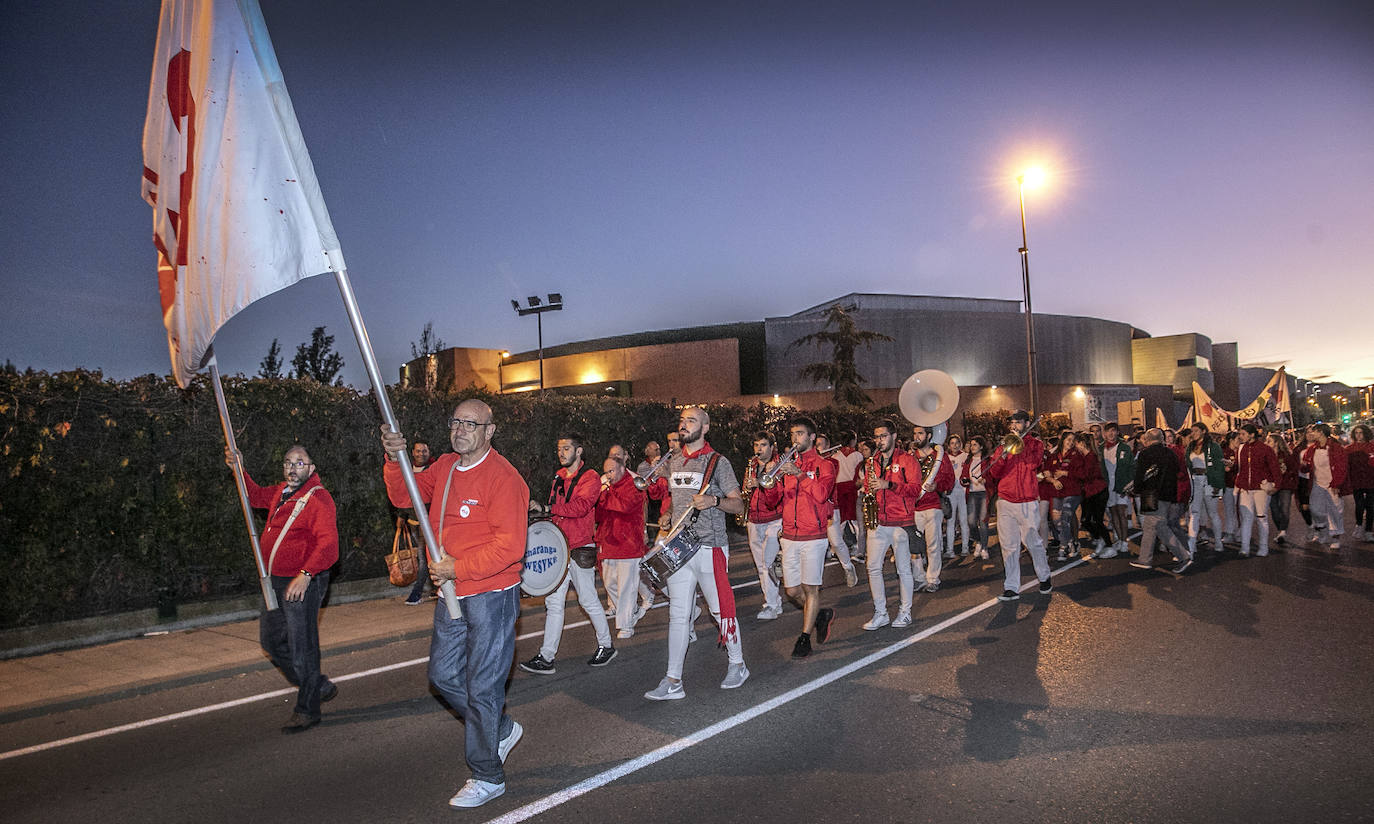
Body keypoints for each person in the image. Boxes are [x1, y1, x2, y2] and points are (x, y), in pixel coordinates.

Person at [380, 400, 528, 809]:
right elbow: (402, 495)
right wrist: (395, 458)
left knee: (482, 686)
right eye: (456, 422)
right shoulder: (444, 466)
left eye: (471, 424)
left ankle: (488, 775)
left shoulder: (504, 478)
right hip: (451, 593)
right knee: (443, 676)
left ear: (489, 431)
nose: (461, 429)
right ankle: (498, 726)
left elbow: (510, 547)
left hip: (492, 596)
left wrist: (456, 567)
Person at [228, 443, 339, 733]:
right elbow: (252, 495)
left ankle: (307, 709)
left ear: (312, 469)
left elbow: (329, 545)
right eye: (288, 462)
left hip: (301, 583)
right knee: (272, 643)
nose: (292, 467)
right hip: (275, 582)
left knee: (303, 648)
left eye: (299, 463)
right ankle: (316, 684)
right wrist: (238, 467)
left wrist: (305, 574)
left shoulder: (318, 499)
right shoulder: (281, 493)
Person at [642, 407, 749, 699]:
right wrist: (666, 516)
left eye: (691, 420)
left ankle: (738, 663)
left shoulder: (718, 462)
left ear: (705, 426)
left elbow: (738, 505)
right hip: (680, 548)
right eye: (682, 420)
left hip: (710, 547)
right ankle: (673, 680)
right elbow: (676, 503)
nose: (684, 425)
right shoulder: (675, 461)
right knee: (678, 615)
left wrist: (713, 500)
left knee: (720, 611)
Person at [520, 434, 616, 674]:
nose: (561, 453)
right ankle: (546, 657)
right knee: (553, 603)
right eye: (559, 448)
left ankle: (606, 645)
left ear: (579, 451)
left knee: (588, 600)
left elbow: (581, 507)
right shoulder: (559, 477)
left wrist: (547, 508)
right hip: (559, 548)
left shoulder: (591, 477)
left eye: (566, 448)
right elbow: (556, 512)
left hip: (580, 547)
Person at [777, 417, 838, 658]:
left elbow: (822, 495)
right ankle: (821, 615)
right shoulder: (788, 465)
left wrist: (801, 475)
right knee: (792, 591)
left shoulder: (825, 465)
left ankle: (804, 639)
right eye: (793, 434)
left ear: (812, 437)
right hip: (790, 535)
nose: (795, 438)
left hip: (813, 535)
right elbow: (778, 500)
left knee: (810, 588)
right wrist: (769, 486)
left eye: (800, 434)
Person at [859, 419, 922, 628]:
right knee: (873, 568)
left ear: (894, 436)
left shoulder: (907, 460)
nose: (879, 441)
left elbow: (915, 490)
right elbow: (869, 487)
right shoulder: (872, 462)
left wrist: (890, 485)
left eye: (883, 436)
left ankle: (905, 611)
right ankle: (880, 612)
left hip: (901, 522)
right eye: (876, 437)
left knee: (903, 569)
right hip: (878, 522)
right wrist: (870, 492)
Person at [986, 410, 1054, 601]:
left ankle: (1044, 575)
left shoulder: (1036, 444)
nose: (1014, 426)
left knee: (1032, 542)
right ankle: (1011, 587)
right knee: (1008, 546)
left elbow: (1034, 463)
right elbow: (995, 473)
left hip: (1027, 500)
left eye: (1018, 422)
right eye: (1012, 423)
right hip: (1006, 500)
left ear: (1026, 423)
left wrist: (1019, 447)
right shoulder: (1003, 446)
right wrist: (1005, 453)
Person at [596, 454, 648, 639]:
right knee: (609, 583)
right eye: (605, 472)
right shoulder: (608, 487)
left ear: (621, 469)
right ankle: (629, 612)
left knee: (626, 586)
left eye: (611, 471)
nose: (608, 475)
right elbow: (599, 515)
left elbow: (624, 506)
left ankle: (626, 624)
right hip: (609, 541)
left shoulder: (634, 484)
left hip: (628, 543)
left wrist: (604, 494)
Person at [1127, 428, 1193, 573]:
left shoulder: (1145, 454)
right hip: (1168, 495)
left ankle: (1183, 557)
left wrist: (1136, 489)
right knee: (1158, 526)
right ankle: (1145, 559)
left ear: (1148, 439)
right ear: (1161, 439)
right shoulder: (1170, 453)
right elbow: (1177, 471)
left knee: (1153, 524)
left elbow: (1140, 476)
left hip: (1152, 495)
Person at [743, 431, 785, 620]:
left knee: (768, 562)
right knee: (761, 565)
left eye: (763, 445)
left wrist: (760, 484)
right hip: (754, 519)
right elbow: (747, 490)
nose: (759, 449)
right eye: (756, 445)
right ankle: (774, 602)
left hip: (774, 518)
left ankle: (771, 605)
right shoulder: (751, 465)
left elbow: (776, 496)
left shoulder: (778, 466)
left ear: (772, 446)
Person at [910, 424, 955, 592]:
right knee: (914, 545)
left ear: (929, 436)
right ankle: (919, 577)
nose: (916, 437)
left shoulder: (939, 456)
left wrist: (937, 485)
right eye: (915, 433)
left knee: (933, 544)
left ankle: (933, 578)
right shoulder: (909, 456)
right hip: (914, 507)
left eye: (920, 433)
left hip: (932, 505)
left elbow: (950, 480)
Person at [1234, 423, 1281, 557]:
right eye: (1240, 434)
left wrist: (1276, 485)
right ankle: (1244, 548)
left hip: (1261, 488)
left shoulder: (1265, 449)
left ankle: (1263, 547)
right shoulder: (1241, 449)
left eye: (1243, 434)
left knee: (1261, 518)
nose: (1240, 437)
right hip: (1245, 489)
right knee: (1246, 518)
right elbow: (1240, 468)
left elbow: (1275, 468)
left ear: (1252, 435)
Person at [1299, 423, 1349, 550]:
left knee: (1335, 511)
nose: (1312, 434)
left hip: (1332, 484)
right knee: (1315, 509)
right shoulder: (1312, 449)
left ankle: (1335, 537)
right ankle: (1322, 528)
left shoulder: (1336, 448)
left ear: (1321, 432)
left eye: (1314, 432)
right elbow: (1306, 466)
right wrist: (1304, 466)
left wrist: (1336, 483)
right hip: (1317, 484)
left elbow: (1341, 467)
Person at [1046, 429, 1089, 561]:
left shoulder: (1077, 455)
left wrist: (1065, 474)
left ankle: (1063, 546)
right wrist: (1053, 480)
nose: (1070, 443)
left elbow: (1083, 475)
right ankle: (1072, 542)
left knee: (1065, 518)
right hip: (1057, 492)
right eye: (1068, 439)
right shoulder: (1054, 456)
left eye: (1073, 440)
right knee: (1056, 521)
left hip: (1072, 492)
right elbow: (1046, 472)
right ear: (1062, 440)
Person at [1183, 423, 1226, 556]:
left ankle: (1218, 542)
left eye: (1196, 431)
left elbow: (1219, 467)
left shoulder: (1214, 447)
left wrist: (1218, 486)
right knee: (1194, 513)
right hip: (1195, 481)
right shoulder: (1190, 447)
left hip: (1209, 481)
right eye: (1192, 431)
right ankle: (1191, 545)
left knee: (1212, 513)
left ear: (1203, 431)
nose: (1193, 433)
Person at [401, 439, 434, 605]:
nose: (421, 454)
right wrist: (402, 517)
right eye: (418, 451)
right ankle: (437, 588)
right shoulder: (407, 470)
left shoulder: (432, 470)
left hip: (427, 522)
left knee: (423, 557)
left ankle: (416, 593)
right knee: (429, 556)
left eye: (424, 450)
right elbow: (403, 495)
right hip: (413, 522)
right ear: (413, 453)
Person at [1096, 423, 1136, 559]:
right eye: (1108, 431)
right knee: (1113, 514)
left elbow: (1132, 467)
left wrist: (1129, 483)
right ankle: (1119, 539)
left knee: (1121, 513)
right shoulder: (1101, 449)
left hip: (1121, 485)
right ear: (1105, 433)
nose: (1111, 434)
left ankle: (1125, 541)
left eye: (1114, 431)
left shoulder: (1124, 447)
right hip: (1108, 486)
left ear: (1117, 432)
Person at [1075, 432, 1112, 556]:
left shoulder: (1091, 457)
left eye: (1077, 443)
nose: (1076, 446)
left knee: (1097, 520)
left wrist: (1070, 472)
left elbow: (1086, 475)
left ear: (1081, 443)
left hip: (1098, 491)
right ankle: (1099, 538)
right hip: (1090, 492)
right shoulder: (1086, 456)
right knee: (1086, 520)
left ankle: (1108, 544)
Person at [1267, 432, 1299, 546]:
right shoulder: (1266, 454)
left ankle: (1282, 531)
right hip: (1272, 485)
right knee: (1274, 509)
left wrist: (1287, 471)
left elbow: (1294, 469)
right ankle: (1280, 529)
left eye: (1269, 441)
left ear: (1276, 442)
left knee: (1284, 508)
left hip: (1285, 485)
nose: (1267, 443)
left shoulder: (1286, 455)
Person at [963, 435, 991, 560]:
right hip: (972, 494)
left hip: (984, 493)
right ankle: (978, 541)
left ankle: (985, 547)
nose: (972, 447)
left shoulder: (987, 460)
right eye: (971, 444)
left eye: (975, 444)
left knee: (983, 522)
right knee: (971, 522)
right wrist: (964, 481)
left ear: (981, 446)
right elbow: (963, 476)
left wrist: (986, 480)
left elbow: (993, 476)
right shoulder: (968, 461)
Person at [944, 434, 971, 558]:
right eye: (952, 443)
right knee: (950, 522)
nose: (955, 445)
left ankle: (965, 548)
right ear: (949, 445)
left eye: (957, 443)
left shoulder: (965, 456)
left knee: (964, 521)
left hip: (963, 492)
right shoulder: (945, 457)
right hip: (951, 493)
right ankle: (950, 550)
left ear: (960, 444)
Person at [1347, 425, 1374, 541]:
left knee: (1371, 507)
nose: (1358, 435)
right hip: (1356, 481)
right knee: (1359, 505)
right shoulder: (1349, 448)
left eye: (1361, 432)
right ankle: (1358, 525)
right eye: (1356, 433)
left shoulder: (1372, 447)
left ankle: (1368, 531)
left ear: (1366, 433)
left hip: (1371, 480)